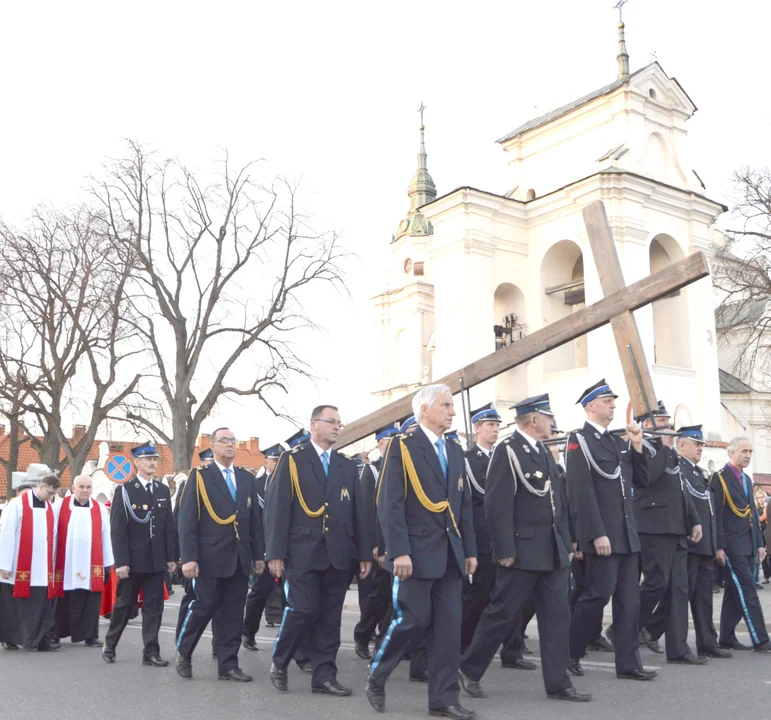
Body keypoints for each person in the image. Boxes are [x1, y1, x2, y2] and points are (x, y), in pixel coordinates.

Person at [459, 395, 590, 703]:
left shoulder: (541, 452)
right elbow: (496, 502)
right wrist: (504, 548)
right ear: (534, 419)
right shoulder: (509, 451)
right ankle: (470, 668)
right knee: (502, 613)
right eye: (548, 416)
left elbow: (557, 500)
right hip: (521, 550)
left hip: (552, 550)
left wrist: (568, 539)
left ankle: (558, 683)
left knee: (557, 617)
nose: (551, 422)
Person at [367, 384, 477, 720]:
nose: (452, 411)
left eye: (452, 406)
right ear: (424, 409)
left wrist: (469, 549)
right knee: (411, 620)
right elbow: (390, 503)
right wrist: (398, 551)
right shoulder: (403, 447)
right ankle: (378, 672)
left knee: (448, 630)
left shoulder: (455, 450)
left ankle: (444, 700)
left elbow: (463, 506)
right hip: (414, 553)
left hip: (450, 554)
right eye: (445, 405)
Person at [267, 405, 373, 696]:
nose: (338, 427)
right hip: (302, 551)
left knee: (330, 617)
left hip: (338, 552)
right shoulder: (293, 460)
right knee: (301, 609)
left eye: (339, 422)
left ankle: (324, 676)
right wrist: (274, 553)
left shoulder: (346, 465)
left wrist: (364, 553)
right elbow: (277, 509)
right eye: (331, 421)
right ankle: (280, 660)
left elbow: (359, 513)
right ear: (314, 425)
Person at [566, 379, 655, 681]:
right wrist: (595, 533)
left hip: (626, 535)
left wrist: (638, 444)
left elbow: (640, 480)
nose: (614, 405)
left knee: (629, 602)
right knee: (596, 597)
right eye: (607, 401)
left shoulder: (618, 443)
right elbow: (581, 491)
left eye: (614, 401)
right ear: (591, 406)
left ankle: (628, 664)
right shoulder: (580, 440)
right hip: (603, 535)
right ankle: (569, 652)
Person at [176, 427, 264, 681]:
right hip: (209, 557)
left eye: (233, 441)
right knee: (204, 607)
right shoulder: (201, 476)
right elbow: (187, 520)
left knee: (233, 614)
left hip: (239, 557)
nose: (230, 445)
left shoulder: (246, 478)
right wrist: (189, 557)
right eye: (224, 440)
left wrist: (258, 554)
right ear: (213, 447)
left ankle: (228, 665)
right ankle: (184, 651)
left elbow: (254, 521)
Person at [650, 426, 731, 659]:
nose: (700, 448)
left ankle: (708, 642)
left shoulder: (699, 473)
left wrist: (716, 544)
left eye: (701, 444)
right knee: (679, 596)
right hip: (690, 544)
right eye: (696, 444)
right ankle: (648, 630)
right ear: (681, 445)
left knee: (703, 598)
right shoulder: (678, 469)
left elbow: (710, 512)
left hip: (704, 545)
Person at [633, 403, 704, 664]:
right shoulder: (641, 447)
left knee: (678, 589)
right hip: (653, 526)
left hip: (676, 527)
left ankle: (679, 649)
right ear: (646, 424)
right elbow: (645, 477)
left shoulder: (670, 452)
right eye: (660, 419)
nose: (667, 423)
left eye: (666, 418)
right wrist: (664, 446)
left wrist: (694, 521)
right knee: (656, 583)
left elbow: (681, 489)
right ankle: (627, 629)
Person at [103, 441, 176, 667]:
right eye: (147, 459)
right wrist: (122, 562)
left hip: (155, 561)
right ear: (136, 463)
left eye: (154, 459)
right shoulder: (124, 491)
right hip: (133, 563)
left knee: (154, 609)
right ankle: (110, 644)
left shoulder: (163, 490)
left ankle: (151, 652)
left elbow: (168, 527)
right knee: (124, 606)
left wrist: (171, 556)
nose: (152, 463)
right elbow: (118, 530)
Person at [712, 436, 771, 652]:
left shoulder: (746, 479)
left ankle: (726, 637)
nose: (747, 455)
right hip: (731, 546)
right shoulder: (719, 478)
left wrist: (759, 544)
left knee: (733, 593)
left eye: (750, 451)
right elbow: (715, 516)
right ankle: (761, 639)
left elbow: (753, 516)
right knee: (748, 589)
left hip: (747, 544)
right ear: (731, 452)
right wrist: (718, 546)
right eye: (744, 451)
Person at [354, 423, 401, 660]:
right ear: (380, 444)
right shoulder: (372, 471)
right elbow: (367, 512)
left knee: (397, 598)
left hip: (398, 542)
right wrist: (374, 544)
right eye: (390, 440)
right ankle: (363, 634)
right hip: (381, 544)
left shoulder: (403, 467)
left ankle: (387, 642)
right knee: (380, 594)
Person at [0, 474, 61, 651]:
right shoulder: (17, 504)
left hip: (42, 567)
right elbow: (6, 532)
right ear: (41, 486)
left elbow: (54, 536)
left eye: (53, 494)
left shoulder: (49, 507)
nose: (50, 497)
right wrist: (4, 564)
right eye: (49, 492)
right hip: (18, 566)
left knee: (41, 604)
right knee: (14, 605)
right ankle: (10, 638)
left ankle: (39, 639)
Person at [53, 475, 114, 647]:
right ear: (73, 488)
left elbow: (106, 536)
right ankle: (56, 633)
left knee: (90, 600)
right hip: (65, 562)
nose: (85, 491)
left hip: (90, 563)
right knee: (62, 599)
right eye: (81, 487)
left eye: (88, 487)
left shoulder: (100, 509)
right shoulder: (60, 506)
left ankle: (90, 635)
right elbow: (53, 533)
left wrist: (108, 563)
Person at [460, 404, 500, 654]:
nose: (496, 430)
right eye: (490, 425)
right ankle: (465, 640)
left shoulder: (503, 456)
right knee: (480, 593)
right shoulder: (467, 461)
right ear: (477, 428)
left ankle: (508, 646)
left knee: (503, 594)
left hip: (502, 535)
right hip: (481, 535)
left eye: (497, 426)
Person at [242, 442, 285, 651]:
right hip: (264, 549)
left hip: (287, 550)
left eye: (280, 461)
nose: (276, 465)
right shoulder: (255, 485)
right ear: (266, 462)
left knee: (290, 596)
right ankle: (248, 633)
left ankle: (286, 638)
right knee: (260, 592)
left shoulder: (291, 482)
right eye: (273, 461)